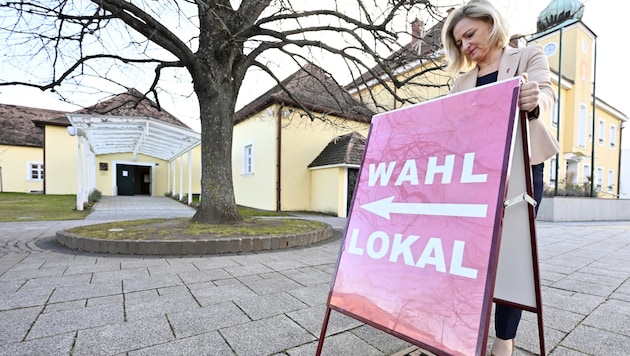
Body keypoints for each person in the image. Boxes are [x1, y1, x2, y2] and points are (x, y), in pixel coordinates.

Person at [441, 0, 560, 355]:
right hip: (474, 175)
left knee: (512, 256)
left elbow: (547, 96)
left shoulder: (528, 56)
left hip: (521, 171)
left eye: (470, 34)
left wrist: (534, 100)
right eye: (459, 42)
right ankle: (460, 327)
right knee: (467, 254)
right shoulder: (460, 82)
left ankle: (503, 340)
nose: (466, 46)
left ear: (491, 24)